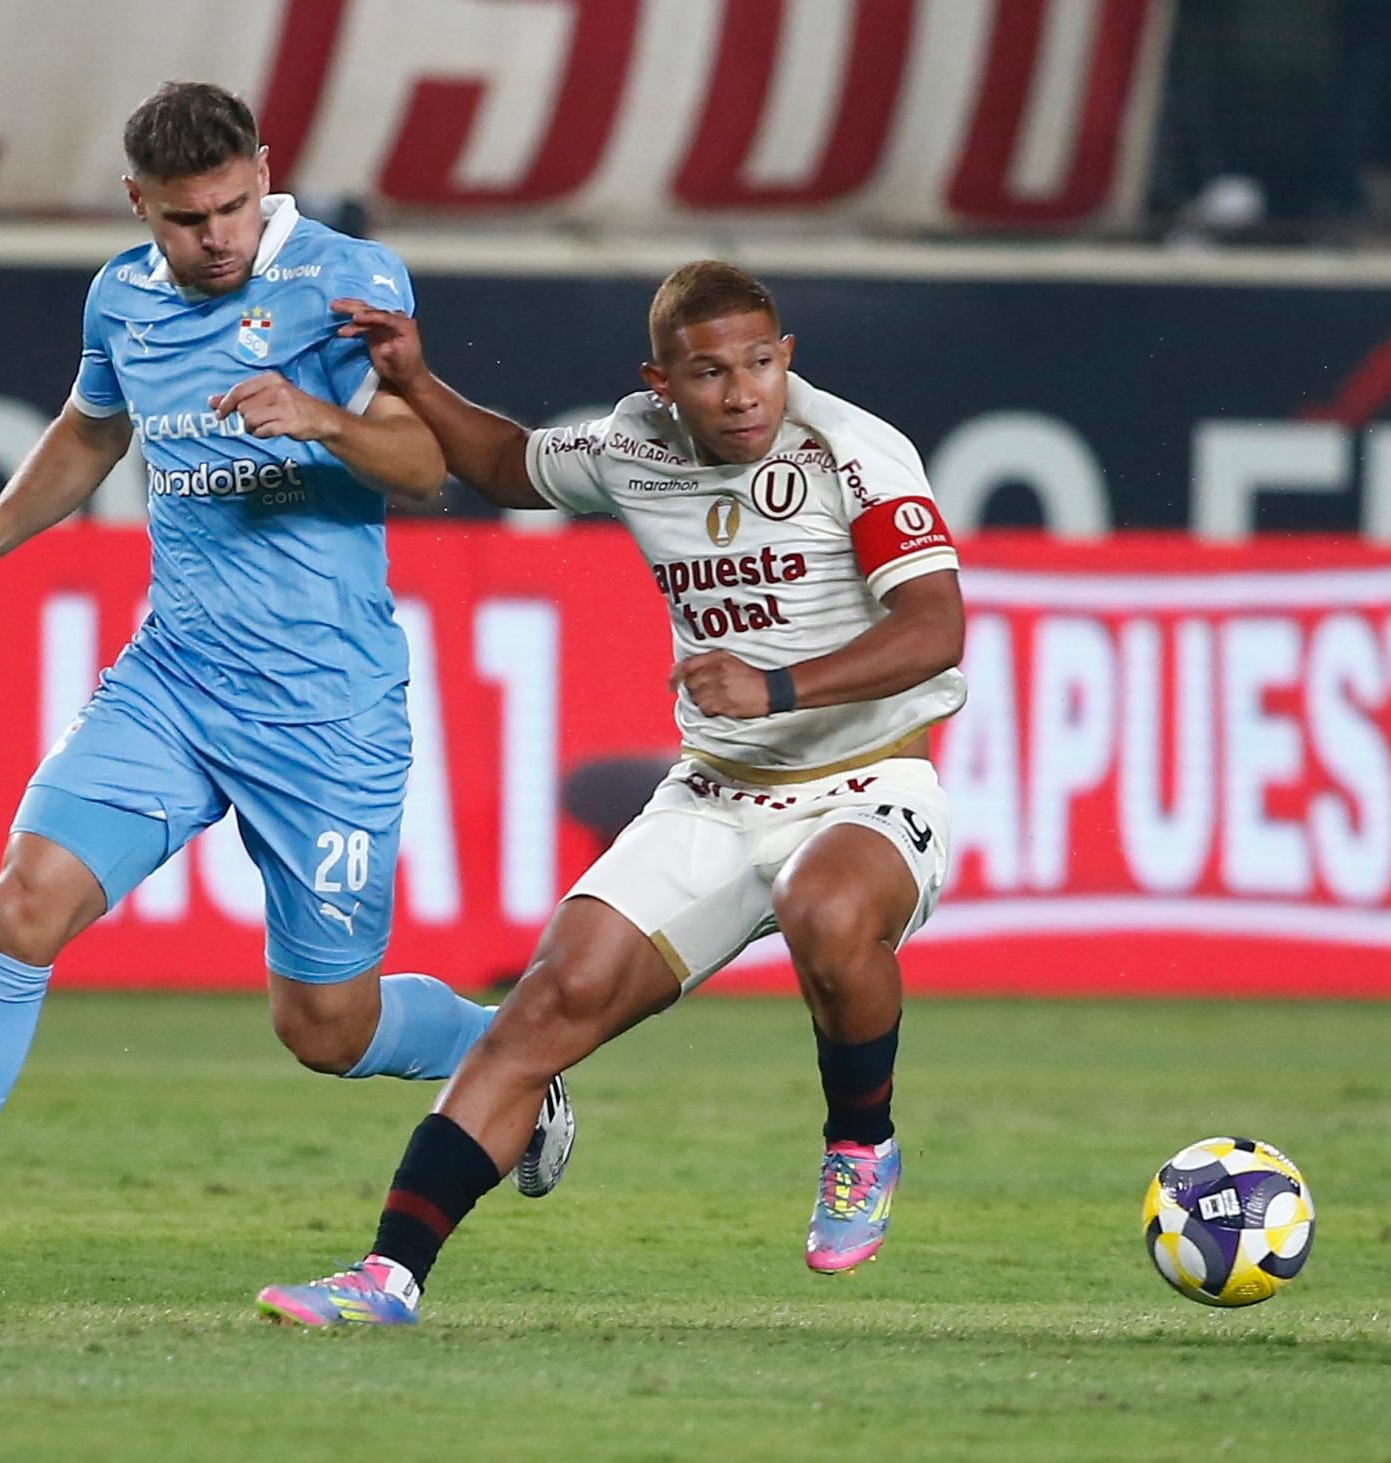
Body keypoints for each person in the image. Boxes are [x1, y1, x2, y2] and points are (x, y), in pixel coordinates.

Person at [0, 82, 573, 1313]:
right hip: (172, 684)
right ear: (136, 204)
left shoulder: (348, 279)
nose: (213, 237)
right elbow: (91, 431)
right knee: (20, 905)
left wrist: (319, 417)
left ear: (264, 172)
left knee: (324, 1026)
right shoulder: (120, 297)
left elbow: (432, 466)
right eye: (183, 218)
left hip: (325, 713)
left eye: (231, 206)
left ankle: (506, 1050)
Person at [257, 261, 968, 1327]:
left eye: (760, 363)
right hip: (716, 793)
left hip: (868, 779)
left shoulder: (853, 451)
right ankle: (387, 1275)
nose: (741, 393)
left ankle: (859, 1140)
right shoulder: (633, 443)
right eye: (709, 371)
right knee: (542, 1007)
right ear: (661, 379)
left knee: (827, 909)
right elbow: (501, 463)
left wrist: (771, 684)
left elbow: (933, 628)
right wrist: (418, 375)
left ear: (787, 358)